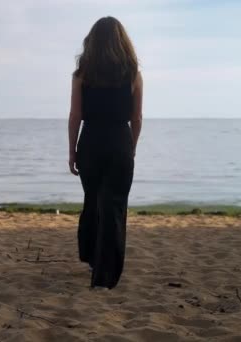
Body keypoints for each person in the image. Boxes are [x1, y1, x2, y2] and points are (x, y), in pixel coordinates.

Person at [67, 16, 143, 289]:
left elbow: (75, 115)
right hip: (119, 141)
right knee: (113, 206)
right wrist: (131, 146)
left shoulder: (82, 74)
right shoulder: (133, 74)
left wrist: (72, 151)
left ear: (93, 42)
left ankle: (91, 257)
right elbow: (137, 118)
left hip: (90, 142)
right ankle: (105, 274)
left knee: (93, 200)